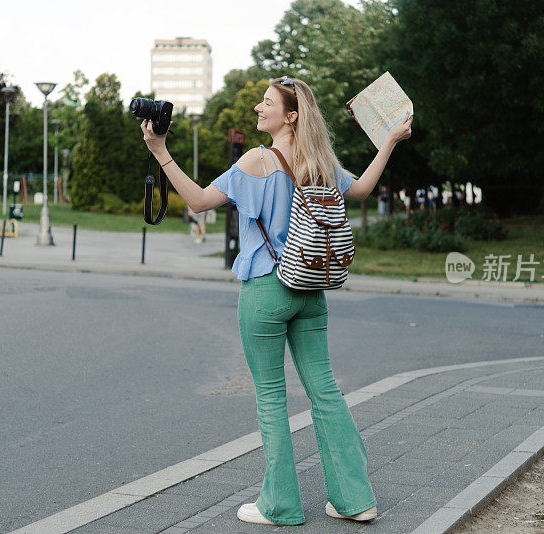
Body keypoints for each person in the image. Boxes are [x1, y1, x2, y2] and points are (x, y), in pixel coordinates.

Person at [141, 76, 412, 526]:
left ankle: (280, 506)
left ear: (290, 115)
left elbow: (197, 202)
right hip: (312, 291)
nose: (256, 108)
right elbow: (361, 190)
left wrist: (160, 151)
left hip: (266, 289)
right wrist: (388, 141)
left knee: (271, 397)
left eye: (266, 103)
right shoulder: (320, 161)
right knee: (325, 392)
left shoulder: (257, 161)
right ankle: (355, 499)